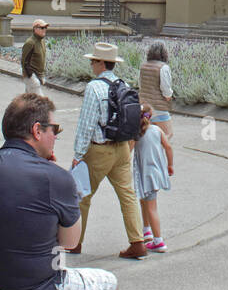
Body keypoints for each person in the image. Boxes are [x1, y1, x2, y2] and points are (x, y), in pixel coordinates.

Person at [0, 94, 118, 290]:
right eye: (55, 129)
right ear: (37, 130)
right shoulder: (56, 178)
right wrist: (62, 182)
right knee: (108, 285)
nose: (56, 136)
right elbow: (70, 242)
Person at [70, 42, 146, 260]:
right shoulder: (123, 84)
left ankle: (75, 241)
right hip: (121, 147)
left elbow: (86, 124)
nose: (91, 64)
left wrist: (78, 155)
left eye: (93, 61)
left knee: (82, 196)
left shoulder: (94, 88)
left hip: (99, 150)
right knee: (127, 196)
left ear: (102, 63)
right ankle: (137, 242)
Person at [133, 104, 174, 253]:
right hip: (156, 173)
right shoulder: (157, 130)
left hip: (146, 175)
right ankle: (147, 230)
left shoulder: (137, 134)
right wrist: (170, 165)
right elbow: (168, 147)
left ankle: (158, 241)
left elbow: (128, 151)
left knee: (151, 207)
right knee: (144, 201)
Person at [139, 41, 175, 140]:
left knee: (146, 135)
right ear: (164, 53)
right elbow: (166, 90)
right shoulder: (163, 67)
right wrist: (169, 97)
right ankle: (158, 153)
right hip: (159, 108)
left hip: (145, 107)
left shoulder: (143, 66)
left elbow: (140, 85)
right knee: (167, 134)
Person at [21, 19, 48, 96]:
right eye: (42, 28)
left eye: (45, 28)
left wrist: (41, 76)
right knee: (40, 100)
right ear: (35, 29)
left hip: (37, 76)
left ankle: (21, 107)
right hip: (32, 77)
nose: (44, 30)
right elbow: (24, 62)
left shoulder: (41, 41)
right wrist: (32, 77)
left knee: (28, 99)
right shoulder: (30, 43)